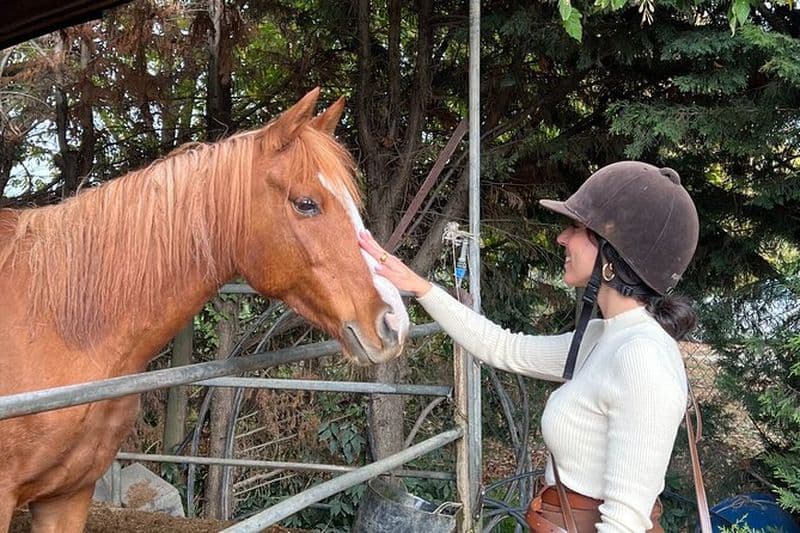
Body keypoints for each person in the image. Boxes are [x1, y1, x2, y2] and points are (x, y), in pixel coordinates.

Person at [357, 161, 700, 533]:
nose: (562, 239)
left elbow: (626, 523)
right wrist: (419, 287)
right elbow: (504, 348)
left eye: (576, 228)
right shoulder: (606, 337)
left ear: (612, 255)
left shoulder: (641, 357)